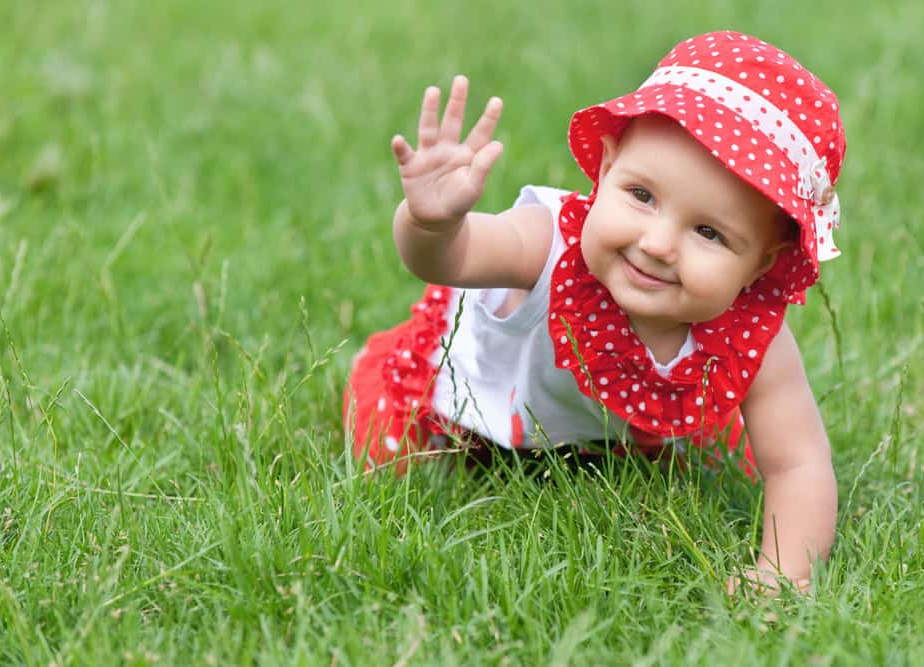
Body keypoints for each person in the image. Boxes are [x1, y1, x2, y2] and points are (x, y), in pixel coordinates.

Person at [344, 31, 846, 593]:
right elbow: (451, 259)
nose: (657, 243)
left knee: (718, 456)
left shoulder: (751, 334)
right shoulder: (548, 244)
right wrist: (432, 224)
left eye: (709, 232)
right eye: (642, 196)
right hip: (474, 404)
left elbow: (798, 463)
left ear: (762, 264)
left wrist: (782, 575)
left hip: (612, 436)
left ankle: (615, 445)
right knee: (402, 455)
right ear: (606, 170)